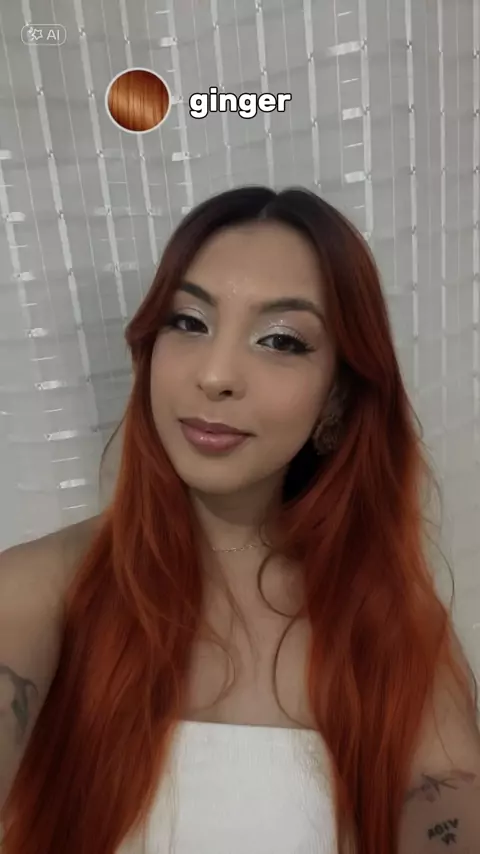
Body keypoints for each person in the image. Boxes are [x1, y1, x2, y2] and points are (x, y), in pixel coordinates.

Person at [0, 185, 479, 854]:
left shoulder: (392, 627)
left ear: (337, 399)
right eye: (188, 322)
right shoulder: (40, 590)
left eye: (280, 340)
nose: (216, 374)